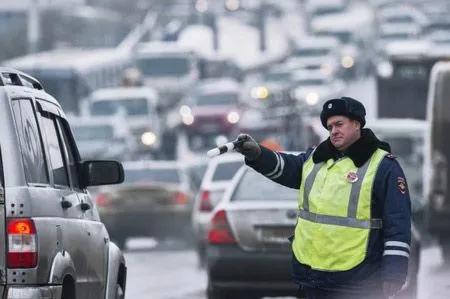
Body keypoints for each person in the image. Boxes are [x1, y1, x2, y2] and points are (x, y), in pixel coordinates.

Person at [234, 97, 411, 299]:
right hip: (312, 277)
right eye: (329, 127)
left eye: (339, 124)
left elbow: (398, 222)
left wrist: (394, 273)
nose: (333, 131)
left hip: (358, 281)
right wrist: (258, 154)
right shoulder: (316, 159)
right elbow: (286, 167)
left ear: (357, 124)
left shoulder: (384, 166)